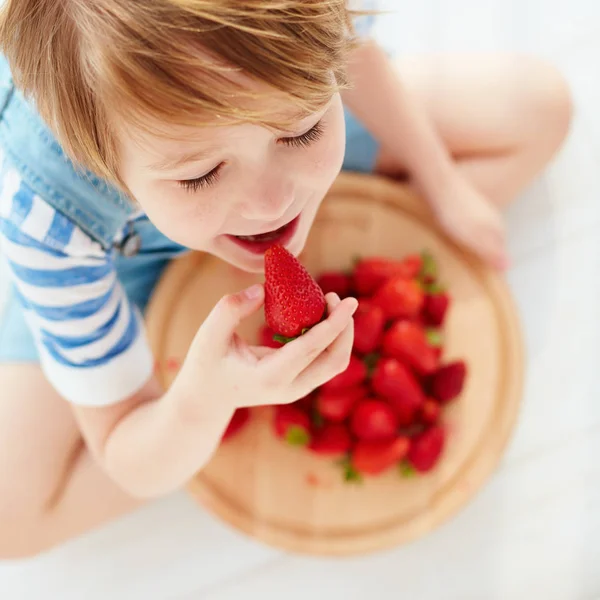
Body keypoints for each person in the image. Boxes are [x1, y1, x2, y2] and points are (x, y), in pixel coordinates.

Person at [0, 0, 571, 558]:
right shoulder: (48, 221)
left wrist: (442, 182)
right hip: (123, 260)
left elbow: (350, 46)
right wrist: (206, 399)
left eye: (301, 132)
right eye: (200, 176)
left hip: (274, 100)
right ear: (102, 165)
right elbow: (124, 448)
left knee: (542, 107)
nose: (273, 204)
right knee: (11, 522)